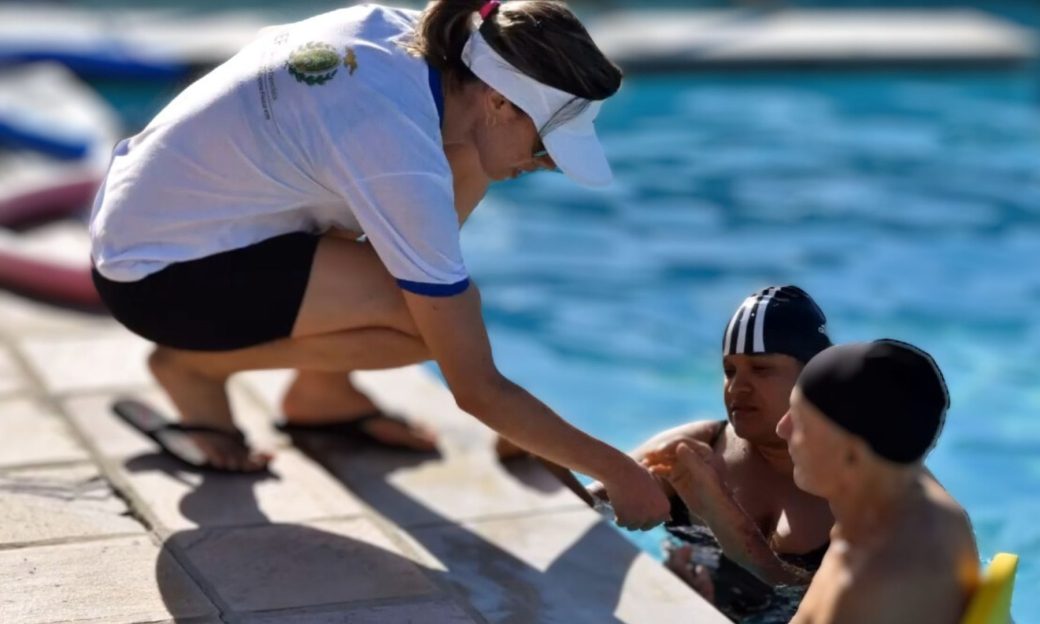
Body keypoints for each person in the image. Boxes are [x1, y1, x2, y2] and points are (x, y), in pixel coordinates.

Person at [87, 0, 670, 530]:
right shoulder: (397, 155)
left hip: (167, 222)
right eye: (547, 146)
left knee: (469, 164)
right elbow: (477, 387)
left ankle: (322, 395)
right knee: (429, 326)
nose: (548, 166)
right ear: (498, 100)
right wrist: (621, 474)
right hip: (159, 277)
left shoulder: (411, 41)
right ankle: (196, 369)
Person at [591, 285, 836, 621]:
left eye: (761, 369)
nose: (737, 388)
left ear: (813, 375)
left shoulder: (852, 481)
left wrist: (719, 511)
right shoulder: (696, 447)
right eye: (730, 370)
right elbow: (579, 509)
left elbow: (840, 608)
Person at [775, 339, 980, 624]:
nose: (782, 429)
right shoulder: (913, 487)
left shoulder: (861, 591)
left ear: (852, 456)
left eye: (799, 421)